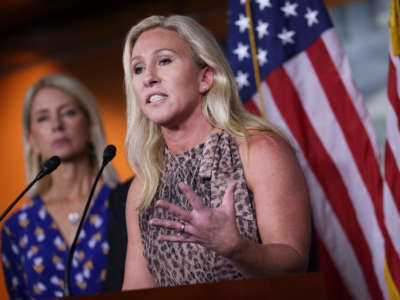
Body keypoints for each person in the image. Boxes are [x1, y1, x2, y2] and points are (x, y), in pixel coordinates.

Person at [122, 15, 311, 290]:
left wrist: (236, 248)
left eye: (164, 61)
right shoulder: (144, 186)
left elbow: (294, 261)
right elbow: (137, 290)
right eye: (137, 69)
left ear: (205, 78)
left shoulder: (258, 151)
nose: (148, 78)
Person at [1, 73, 119, 299]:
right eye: (43, 118)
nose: (57, 125)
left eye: (68, 113)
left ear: (90, 126)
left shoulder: (126, 203)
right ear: (31, 139)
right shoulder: (15, 228)